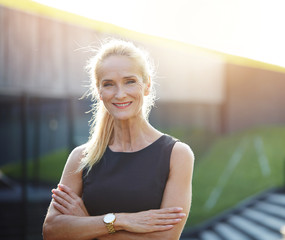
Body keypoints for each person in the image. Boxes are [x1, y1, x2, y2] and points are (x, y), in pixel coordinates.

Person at [42, 39, 194, 240]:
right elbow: (52, 230)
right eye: (109, 84)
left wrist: (86, 221)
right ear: (99, 92)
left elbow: (163, 238)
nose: (120, 94)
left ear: (147, 85)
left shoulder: (177, 155)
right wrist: (119, 220)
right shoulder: (81, 157)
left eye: (130, 81)